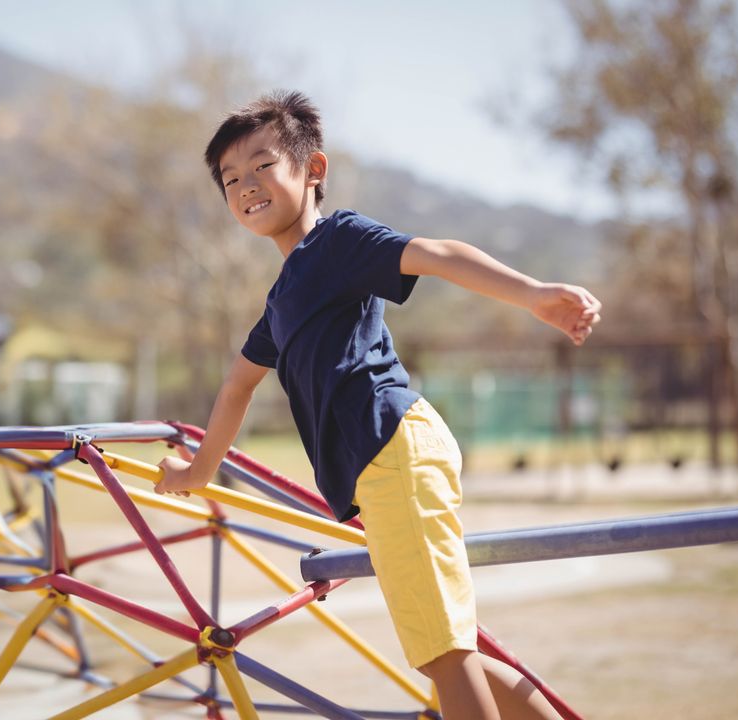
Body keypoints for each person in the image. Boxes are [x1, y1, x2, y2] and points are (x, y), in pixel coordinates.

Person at [154, 90, 600, 720]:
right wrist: (198, 472)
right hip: (386, 461)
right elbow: (236, 387)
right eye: (230, 178)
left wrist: (532, 295)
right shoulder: (283, 298)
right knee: (447, 649)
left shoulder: (337, 243)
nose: (245, 185)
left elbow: (437, 254)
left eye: (262, 166)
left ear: (313, 171)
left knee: (442, 653)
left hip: (393, 448)